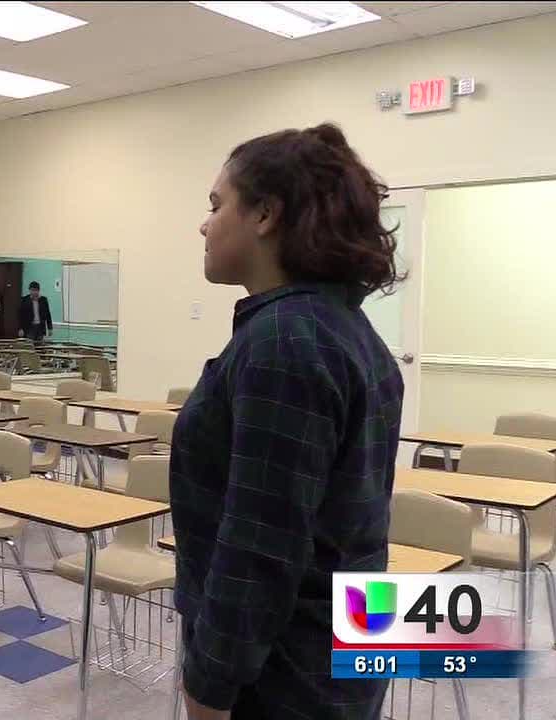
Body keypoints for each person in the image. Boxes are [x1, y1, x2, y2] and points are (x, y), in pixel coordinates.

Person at [169, 123, 403, 720]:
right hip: (337, 649)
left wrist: (210, 686)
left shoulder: (285, 341)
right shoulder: (341, 327)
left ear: (265, 215)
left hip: (286, 675)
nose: (204, 225)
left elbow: (259, 547)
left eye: (216, 205)